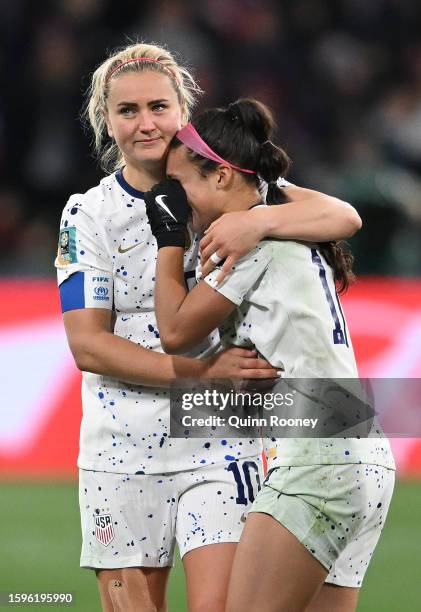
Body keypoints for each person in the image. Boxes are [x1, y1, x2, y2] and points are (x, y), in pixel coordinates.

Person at [55, 41, 362, 612]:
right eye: (127, 111)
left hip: (216, 437)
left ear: (183, 111)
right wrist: (201, 374)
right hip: (120, 446)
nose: (146, 123)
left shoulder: (223, 184)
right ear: (106, 122)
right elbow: (88, 344)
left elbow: (345, 216)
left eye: (158, 107)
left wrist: (259, 220)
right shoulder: (88, 214)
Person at [144, 97, 395, 612]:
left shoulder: (248, 240)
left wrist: (169, 238)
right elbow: (345, 215)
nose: (173, 194)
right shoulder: (281, 221)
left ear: (220, 177)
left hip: (317, 461)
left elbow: (175, 330)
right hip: (363, 452)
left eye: (178, 182)